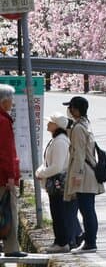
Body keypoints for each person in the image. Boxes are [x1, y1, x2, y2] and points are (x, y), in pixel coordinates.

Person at [63, 96, 104, 254]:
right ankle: (89, 240)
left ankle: (90, 243)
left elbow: (79, 154)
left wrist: (76, 177)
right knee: (89, 210)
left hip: (84, 175)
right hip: (89, 173)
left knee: (86, 211)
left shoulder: (79, 128)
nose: (69, 110)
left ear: (75, 109)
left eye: (71, 107)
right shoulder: (85, 124)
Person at [35, 112, 74, 253]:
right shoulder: (56, 140)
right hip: (55, 183)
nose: (48, 124)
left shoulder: (60, 141)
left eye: (50, 122)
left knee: (59, 213)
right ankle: (59, 241)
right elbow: (48, 162)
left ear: (57, 126)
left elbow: (57, 166)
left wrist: (41, 173)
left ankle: (62, 242)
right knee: (56, 212)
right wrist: (41, 170)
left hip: (58, 184)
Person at [0, 84, 26, 258]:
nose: (13, 103)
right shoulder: (3, 121)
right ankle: (11, 248)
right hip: (2, 177)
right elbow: (6, 152)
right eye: (11, 99)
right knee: (9, 210)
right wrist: (10, 176)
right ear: (4, 100)